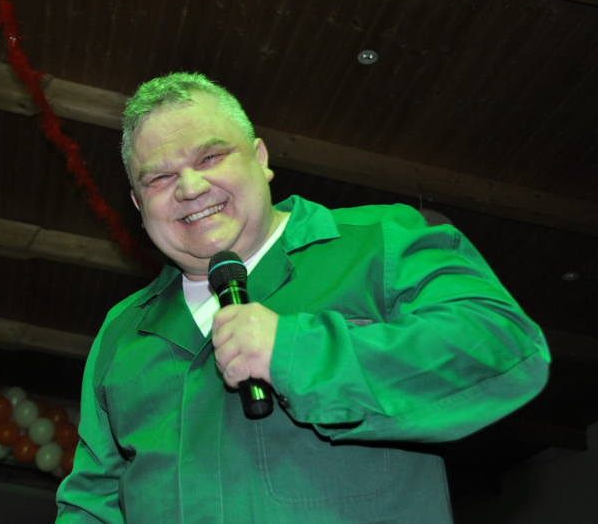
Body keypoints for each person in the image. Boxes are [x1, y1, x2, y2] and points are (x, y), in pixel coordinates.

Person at [55, 73, 550, 522]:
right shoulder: (122, 331)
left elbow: (506, 347)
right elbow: (91, 502)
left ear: (261, 159)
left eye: (210, 157)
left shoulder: (378, 241)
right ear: (138, 203)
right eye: (159, 178)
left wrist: (294, 352)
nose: (189, 187)